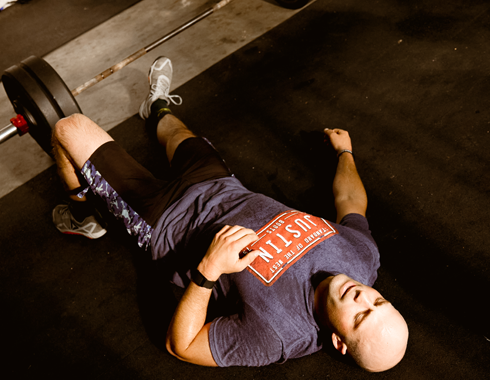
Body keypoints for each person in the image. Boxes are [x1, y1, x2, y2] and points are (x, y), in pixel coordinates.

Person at [50, 57, 409, 371]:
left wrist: (208, 271)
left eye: (361, 316)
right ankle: (156, 105)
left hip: (163, 222)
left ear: (339, 342)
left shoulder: (278, 335)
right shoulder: (363, 258)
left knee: (69, 128)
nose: (363, 296)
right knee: (179, 134)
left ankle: (85, 215)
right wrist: (345, 153)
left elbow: (182, 347)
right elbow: (350, 201)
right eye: (378, 300)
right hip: (222, 184)